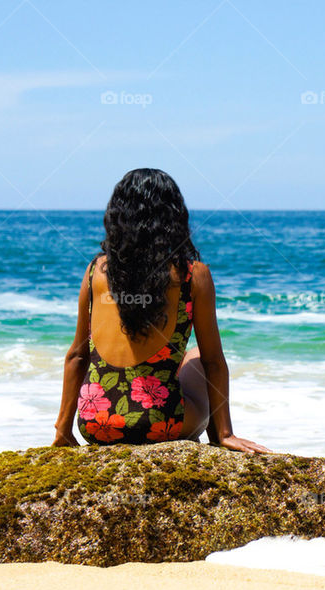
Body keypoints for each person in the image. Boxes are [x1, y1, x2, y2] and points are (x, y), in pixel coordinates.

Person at [51, 168, 270, 453]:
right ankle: (218, 434)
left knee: (174, 364)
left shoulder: (96, 271)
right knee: (197, 356)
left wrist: (63, 430)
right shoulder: (193, 275)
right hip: (161, 424)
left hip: (96, 424)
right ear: (174, 217)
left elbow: (77, 356)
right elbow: (214, 362)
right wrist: (227, 433)